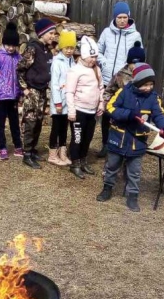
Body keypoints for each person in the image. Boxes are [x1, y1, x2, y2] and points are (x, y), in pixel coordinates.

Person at [99, 63, 164, 212]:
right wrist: (129, 114)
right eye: (145, 84)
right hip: (118, 137)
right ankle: (107, 188)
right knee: (112, 166)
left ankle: (132, 196)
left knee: (134, 171)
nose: (148, 88)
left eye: (151, 84)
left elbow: (159, 115)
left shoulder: (153, 98)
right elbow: (111, 108)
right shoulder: (123, 92)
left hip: (137, 141)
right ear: (137, 82)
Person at [97, 2, 144, 158]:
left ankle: (120, 143)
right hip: (106, 79)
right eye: (119, 17)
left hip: (124, 82)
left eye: (125, 17)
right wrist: (104, 63)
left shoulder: (135, 35)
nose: (122, 20)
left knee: (121, 113)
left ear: (128, 17)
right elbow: (98, 50)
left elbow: (139, 57)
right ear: (114, 17)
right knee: (106, 114)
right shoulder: (106, 33)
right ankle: (105, 144)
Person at [17, 18, 58, 169]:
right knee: (30, 122)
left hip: (42, 91)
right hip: (32, 91)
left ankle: (33, 149)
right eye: (51, 33)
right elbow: (20, 69)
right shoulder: (32, 49)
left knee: (39, 122)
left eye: (54, 33)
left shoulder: (47, 51)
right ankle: (26, 154)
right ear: (42, 33)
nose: (53, 36)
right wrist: (25, 89)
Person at [65, 36, 104, 179]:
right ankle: (74, 163)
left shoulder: (96, 70)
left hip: (91, 111)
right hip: (79, 110)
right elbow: (69, 92)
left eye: (95, 56)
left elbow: (101, 87)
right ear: (83, 55)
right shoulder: (75, 71)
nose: (93, 60)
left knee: (87, 137)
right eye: (90, 56)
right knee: (77, 138)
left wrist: (101, 103)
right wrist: (71, 111)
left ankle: (83, 160)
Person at [0, 22, 23, 161]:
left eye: (14, 46)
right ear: (4, 43)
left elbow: (20, 77)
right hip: (0, 97)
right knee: (0, 123)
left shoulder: (18, 58)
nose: (11, 48)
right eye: (8, 45)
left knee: (14, 123)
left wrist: (19, 93)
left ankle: (18, 145)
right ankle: (2, 147)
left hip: (13, 96)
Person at [49, 30, 76, 166]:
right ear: (61, 47)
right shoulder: (57, 62)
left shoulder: (72, 62)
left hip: (68, 102)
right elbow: (54, 84)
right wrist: (58, 102)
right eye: (67, 48)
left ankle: (62, 152)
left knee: (64, 129)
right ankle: (53, 154)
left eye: (72, 48)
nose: (69, 51)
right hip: (59, 102)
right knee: (56, 128)